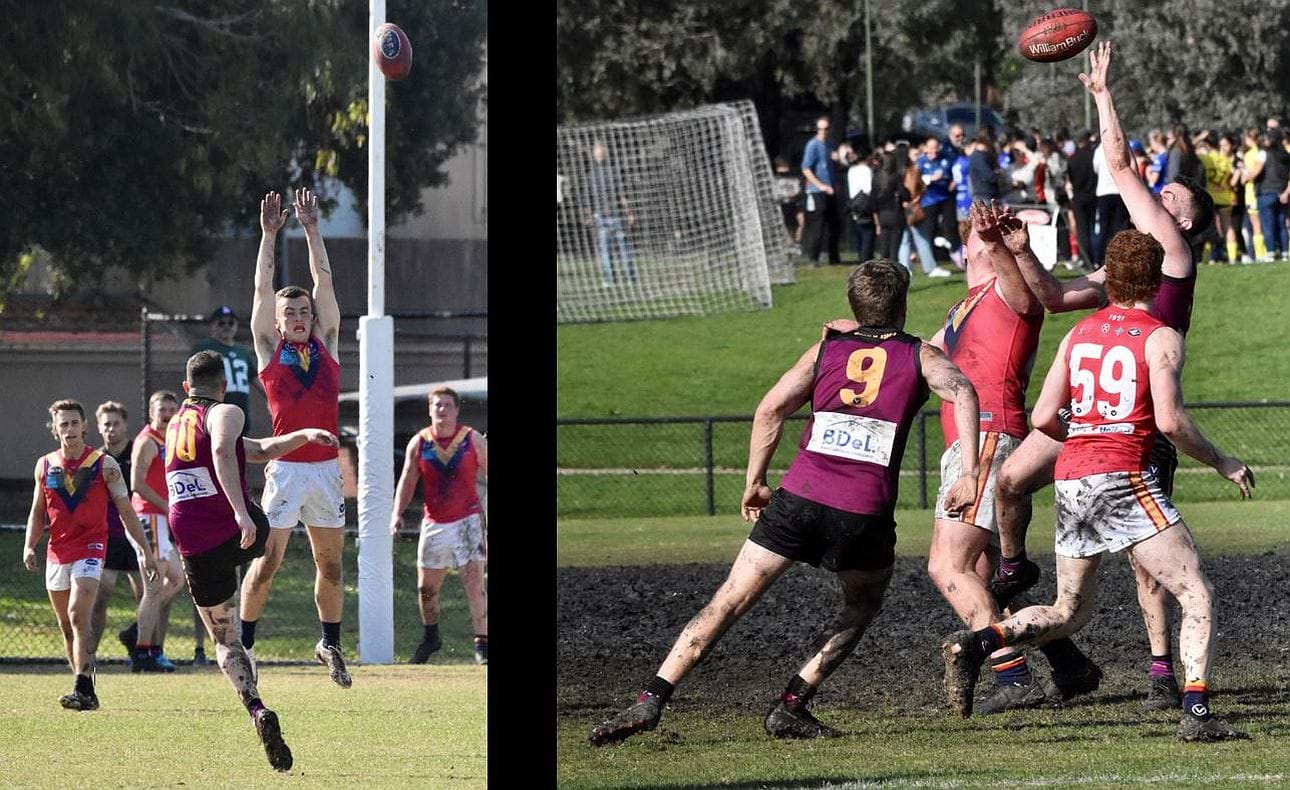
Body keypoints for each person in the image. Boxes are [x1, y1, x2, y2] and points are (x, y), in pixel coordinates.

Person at [587, 259, 983, 746]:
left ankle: (651, 699)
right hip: (862, 513)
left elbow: (771, 407)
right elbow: (963, 389)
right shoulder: (918, 355)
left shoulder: (826, 350)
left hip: (798, 498)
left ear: (853, 307)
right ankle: (791, 704)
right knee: (862, 605)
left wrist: (755, 480)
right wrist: (969, 472)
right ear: (901, 306)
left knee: (729, 600)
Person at [942, 229, 1253, 742]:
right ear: (1156, 277)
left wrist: (1087, 435)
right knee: (1197, 594)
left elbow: (1044, 415)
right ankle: (1197, 714)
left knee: (1069, 612)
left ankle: (977, 643)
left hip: (1072, 480)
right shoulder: (1161, 335)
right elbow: (1171, 423)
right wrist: (1223, 461)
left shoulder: (1079, 333)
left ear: (1109, 276)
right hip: (1124, 476)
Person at [990, 40, 1218, 711]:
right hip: (1095, 417)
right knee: (1009, 479)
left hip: (1137, 420)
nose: (1158, 187)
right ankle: (1011, 563)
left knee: (1148, 569)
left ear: (1179, 219)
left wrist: (1101, 94)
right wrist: (1019, 249)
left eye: (1168, 191)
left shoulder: (1173, 251)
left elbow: (1117, 161)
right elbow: (1055, 296)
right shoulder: (1131, 269)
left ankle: (1159, 673)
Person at [165, 349, 339, 771]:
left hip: (191, 538)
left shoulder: (174, 422)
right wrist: (242, 514)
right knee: (264, 535)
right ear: (222, 386)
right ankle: (266, 568)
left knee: (225, 641)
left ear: (187, 387)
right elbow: (227, 451)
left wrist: (304, 435)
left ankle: (257, 708)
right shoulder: (224, 411)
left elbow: (257, 449)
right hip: (232, 527)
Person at [240, 188, 352, 688]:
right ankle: (243, 645)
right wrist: (268, 236)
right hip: (285, 469)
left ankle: (329, 641)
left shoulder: (327, 343)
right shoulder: (269, 351)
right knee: (267, 563)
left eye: (305, 310)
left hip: (326, 471)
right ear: (280, 324)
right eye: (293, 314)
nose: (301, 317)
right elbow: (262, 292)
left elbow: (324, 281)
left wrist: (311, 230)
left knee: (331, 566)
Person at [23, 400, 158, 711]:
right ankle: (85, 689)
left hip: (92, 547)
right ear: (54, 429)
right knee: (66, 626)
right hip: (58, 551)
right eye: (63, 424)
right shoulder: (44, 466)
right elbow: (37, 512)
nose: (69, 429)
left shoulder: (103, 464)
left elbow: (127, 510)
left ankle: (82, 683)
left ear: (84, 426)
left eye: (74, 423)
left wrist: (147, 552)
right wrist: (30, 545)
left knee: (77, 611)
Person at [390, 387, 489, 665]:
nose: (442, 410)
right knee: (427, 588)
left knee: (473, 582)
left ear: (457, 410)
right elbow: (408, 481)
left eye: (447, 405)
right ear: (430, 409)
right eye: (437, 405)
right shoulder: (420, 443)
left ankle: (482, 643)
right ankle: (431, 637)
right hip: (434, 523)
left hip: (468, 521)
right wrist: (396, 514)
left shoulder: (472, 440)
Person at [127, 390, 185, 672]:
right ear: (151, 411)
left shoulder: (170, 439)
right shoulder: (147, 441)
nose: (168, 413)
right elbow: (136, 483)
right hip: (148, 517)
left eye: (172, 408)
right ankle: (142, 652)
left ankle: (137, 630)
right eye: (162, 408)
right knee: (152, 587)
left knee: (177, 579)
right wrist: (166, 506)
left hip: (160, 519)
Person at [87, 402, 144, 662]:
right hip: (107, 538)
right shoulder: (95, 460)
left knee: (145, 596)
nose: (111, 429)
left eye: (116, 423)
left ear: (125, 425)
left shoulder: (137, 453)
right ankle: (89, 656)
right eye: (106, 424)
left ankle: (142, 650)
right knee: (100, 599)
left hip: (136, 534)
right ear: (99, 428)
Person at [586, 140, 637, 286]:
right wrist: (630, 213)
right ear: (606, 153)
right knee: (623, 248)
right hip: (614, 215)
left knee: (606, 251)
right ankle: (630, 279)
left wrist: (588, 215)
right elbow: (622, 195)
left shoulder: (592, 175)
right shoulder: (614, 171)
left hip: (605, 216)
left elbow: (588, 199)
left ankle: (609, 280)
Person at [800, 116, 842, 265]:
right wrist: (820, 185)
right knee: (818, 225)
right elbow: (806, 169)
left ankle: (834, 257)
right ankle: (813, 257)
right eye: (820, 129)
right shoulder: (812, 145)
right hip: (818, 191)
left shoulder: (830, 144)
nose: (823, 131)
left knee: (835, 225)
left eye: (826, 129)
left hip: (831, 189)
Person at [917, 136, 960, 276]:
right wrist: (929, 179)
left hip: (946, 196)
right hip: (929, 200)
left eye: (936, 149)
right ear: (926, 149)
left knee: (951, 226)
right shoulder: (921, 162)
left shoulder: (946, 158)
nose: (934, 152)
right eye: (931, 149)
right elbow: (916, 181)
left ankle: (956, 257)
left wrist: (953, 181)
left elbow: (955, 172)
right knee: (930, 230)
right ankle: (933, 262)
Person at [1253, 129, 1290, 261]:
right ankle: (1285, 252)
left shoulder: (1263, 153)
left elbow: (1255, 173)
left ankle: (1271, 252)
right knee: (1281, 224)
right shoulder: (1286, 155)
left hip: (1266, 192)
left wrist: (1246, 174)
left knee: (1267, 224)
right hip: (1282, 193)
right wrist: (1286, 192)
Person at [872, 150, 912, 265]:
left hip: (882, 216)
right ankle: (892, 275)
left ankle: (882, 272)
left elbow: (872, 202)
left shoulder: (876, 178)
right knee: (894, 251)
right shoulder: (895, 177)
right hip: (896, 215)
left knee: (884, 250)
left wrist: (877, 223)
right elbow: (905, 195)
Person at [1066, 131, 1098, 269]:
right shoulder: (1093, 156)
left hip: (1078, 197)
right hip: (1093, 195)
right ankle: (1095, 257)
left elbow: (1071, 179)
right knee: (1093, 228)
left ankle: (1086, 259)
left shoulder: (1073, 159)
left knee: (1082, 230)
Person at [844, 145, 877, 262]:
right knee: (868, 236)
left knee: (859, 235)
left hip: (855, 205)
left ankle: (861, 258)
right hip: (865, 205)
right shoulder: (866, 170)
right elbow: (868, 189)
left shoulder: (851, 170)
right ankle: (866, 260)